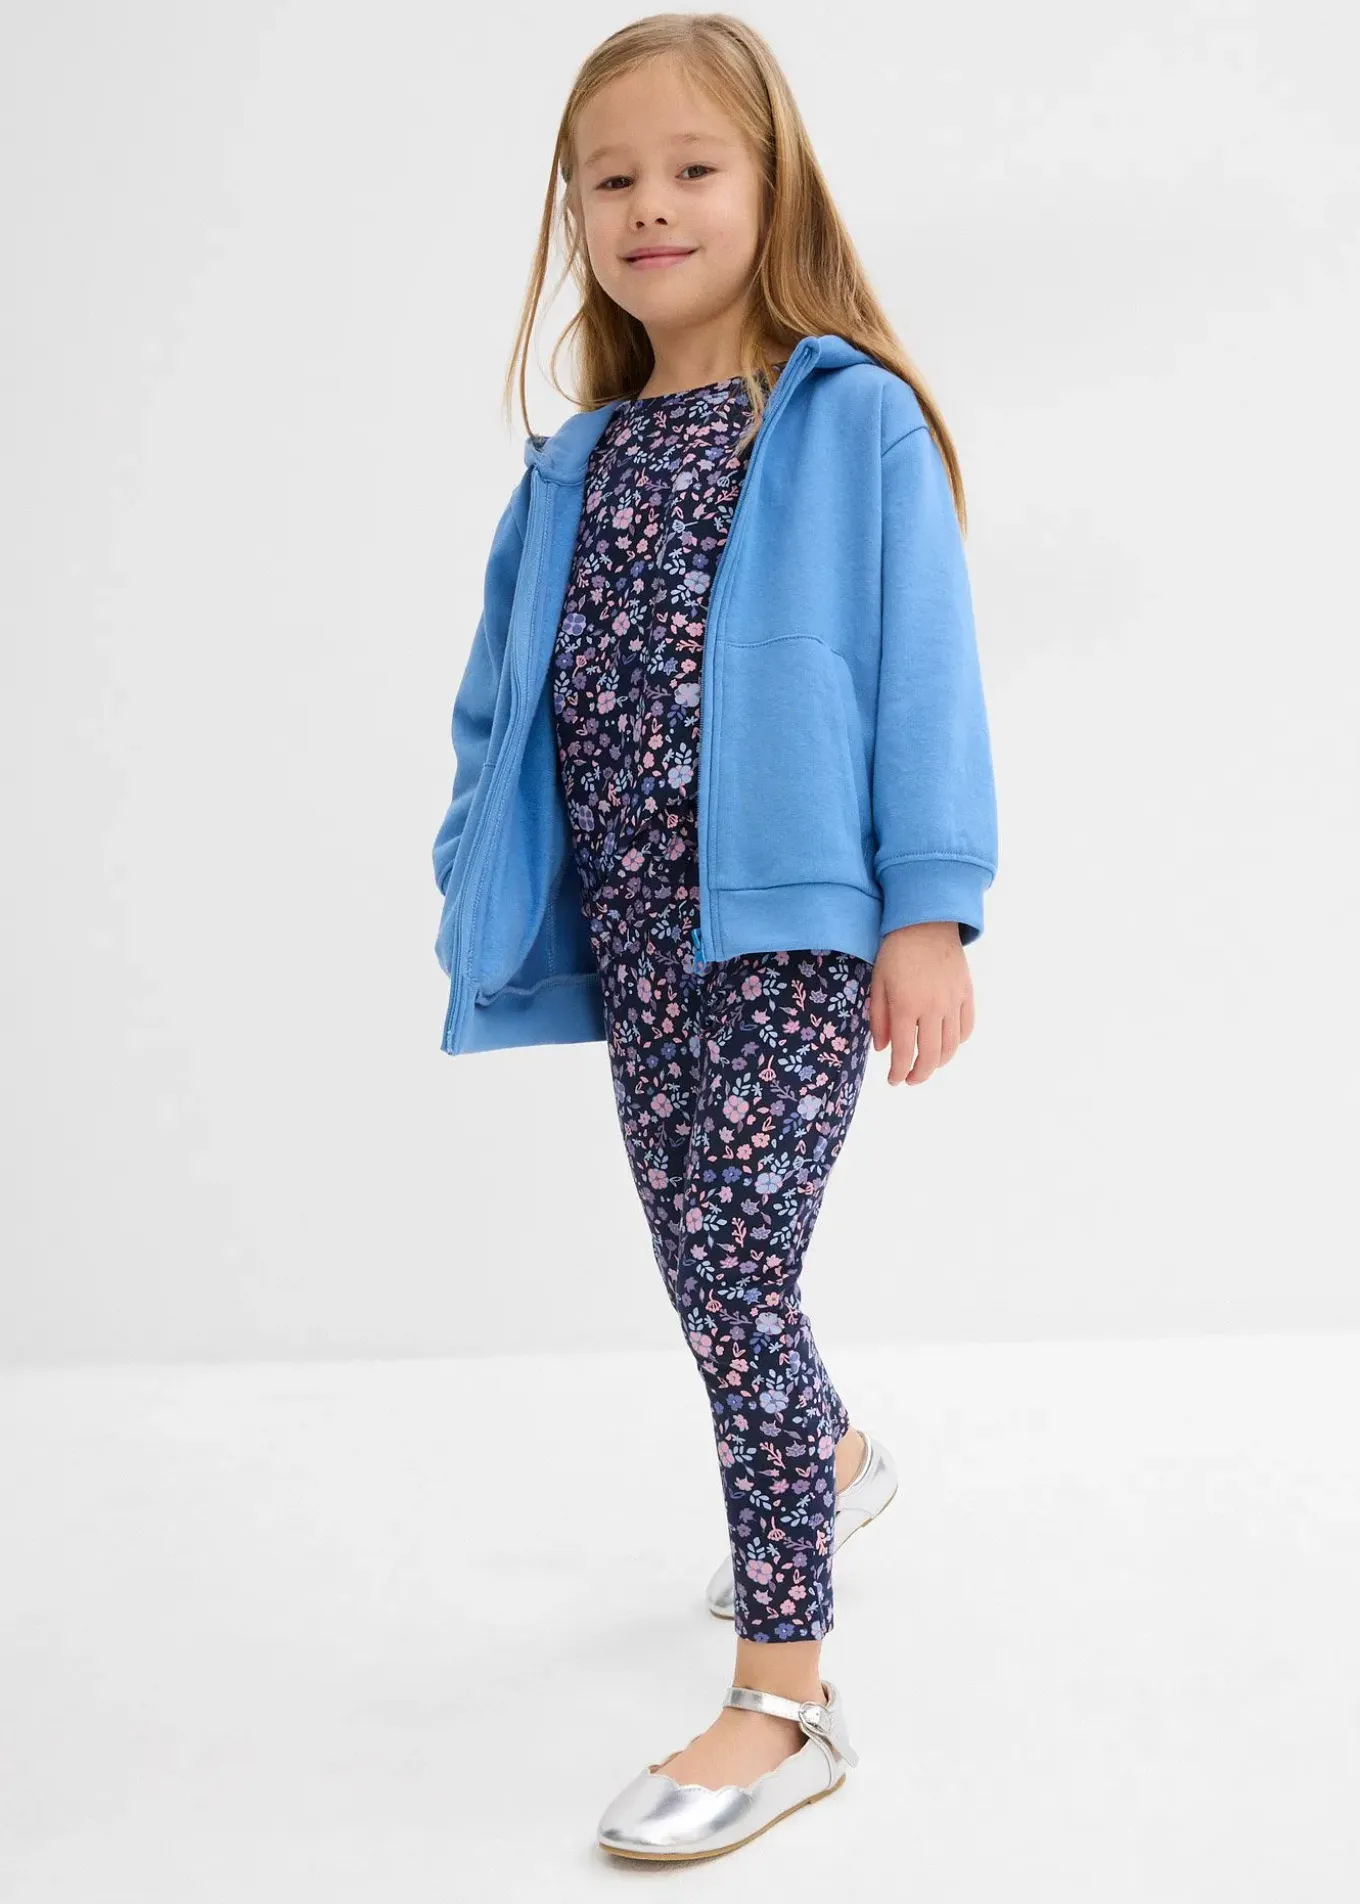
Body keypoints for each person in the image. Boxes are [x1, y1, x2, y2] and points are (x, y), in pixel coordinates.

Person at [430, 14, 999, 1863]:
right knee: (705, 1264)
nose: (650, 206)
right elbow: (503, 705)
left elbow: (926, 676)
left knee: (737, 1277)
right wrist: (473, 873)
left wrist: (930, 910)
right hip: (634, 937)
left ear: (773, 187)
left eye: (693, 168)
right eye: (612, 179)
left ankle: (786, 1695)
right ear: (573, 214)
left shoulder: (847, 419)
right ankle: (825, 1455)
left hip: (794, 936)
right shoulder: (573, 464)